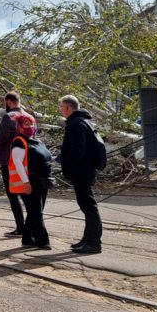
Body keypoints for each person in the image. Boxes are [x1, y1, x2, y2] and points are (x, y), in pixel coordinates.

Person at [58, 94, 102, 254]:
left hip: (82, 171)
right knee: (86, 206)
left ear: (68, 108)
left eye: (62, 107)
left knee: (89, 206)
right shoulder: (82, 121)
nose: (60, 110)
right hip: (85, 170)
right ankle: (87, 239)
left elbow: (77, 150)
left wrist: (67, 164)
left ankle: (94, 243)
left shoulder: (76, 124)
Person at [7, 112, 53, 250]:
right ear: (19, 127)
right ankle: (42, 241)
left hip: (43, 182)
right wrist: (26, 183)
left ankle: (27, 238)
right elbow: (18, 163)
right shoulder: (19, 142)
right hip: (30, 182)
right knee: (36, 212)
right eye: (26, 124)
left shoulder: (37, 141)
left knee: (35, 211)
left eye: (31, 123)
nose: (30, 126)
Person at [0, 91, 26, 237]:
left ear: (9, 101)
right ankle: (31, 225)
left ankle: (20, 227)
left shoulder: (9, 116)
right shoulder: (28, 116)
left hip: (9, 159)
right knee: (25, 191)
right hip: (25, 158)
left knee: (13, 194)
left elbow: (2, 137)